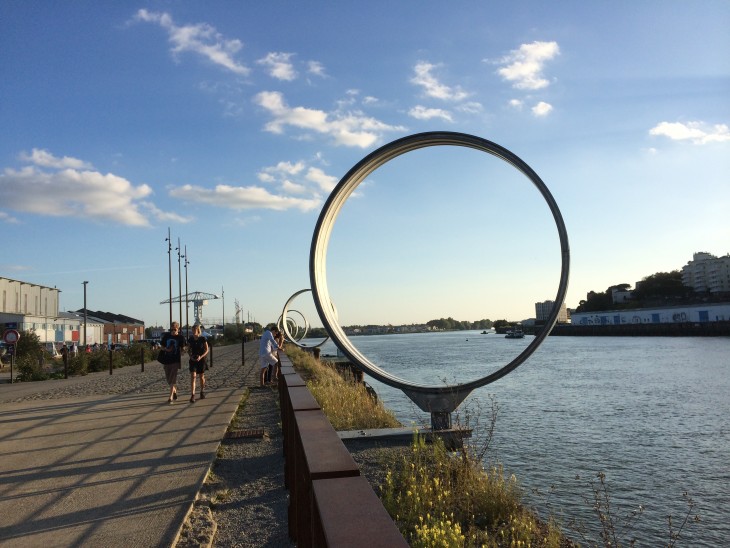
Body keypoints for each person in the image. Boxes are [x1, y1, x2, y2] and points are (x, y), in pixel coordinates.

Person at [160, 321, 186, 404]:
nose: (173, 331)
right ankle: (174, 391)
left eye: (175, 329)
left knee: (173, 378)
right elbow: (162, 346)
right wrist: (165, 349)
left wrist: (183, 351)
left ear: (178, 329)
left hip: (175, 360)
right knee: (168, 379)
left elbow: (183, 348)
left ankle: (170, 397)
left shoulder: (181, 337)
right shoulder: (166, 336)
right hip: (166, 360)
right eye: (171, 329)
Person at [187, 324, 209, 403]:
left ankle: (202, 391)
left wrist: (201, 356)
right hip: (193, 359)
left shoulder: (203, 339)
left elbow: (207, 349)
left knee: (201, 376)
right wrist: (190, 356)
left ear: (198, 330)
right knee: (193, 376)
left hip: (201, 359)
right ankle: (193, 395)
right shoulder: (190, 339)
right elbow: (188, 350)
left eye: (194, 330)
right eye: (192, 330)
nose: (193, 332)